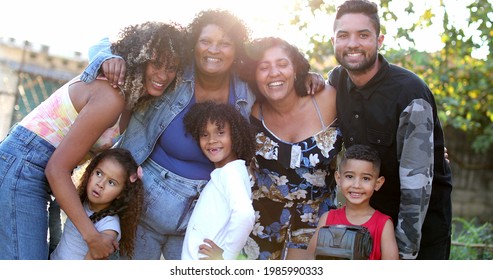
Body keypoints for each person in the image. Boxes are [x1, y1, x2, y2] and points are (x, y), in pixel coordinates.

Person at [81, 9, 325, 260]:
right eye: (206, 41)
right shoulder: (172, 69)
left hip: (199, 218)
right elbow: (105, 45)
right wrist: (109, 59)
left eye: (224, 43)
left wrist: (305, 77)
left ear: (236, 50)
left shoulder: (247, 86)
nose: (214, 50)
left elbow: (275, 80)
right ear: (194, 44)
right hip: (144, 205)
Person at [0, 21, 186, 260]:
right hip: (23, 167)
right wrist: (92, 237)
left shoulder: (130, 102)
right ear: (139, 59)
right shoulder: (111, 95)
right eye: (155, 63)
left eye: (171, 67)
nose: (163, 75)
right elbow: (56, 168)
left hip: (36, 173)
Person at [328, 0, 453, 259]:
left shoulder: (410, 93)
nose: (352, 43)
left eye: (363, 35)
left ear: (379, 40)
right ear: (333, 41)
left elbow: (416, 189)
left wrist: (404, 255)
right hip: (368, 222)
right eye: (343, 35)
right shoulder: (336, 80)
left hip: (417, 228)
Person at [238, 37, 343, 260]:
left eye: (282, 64)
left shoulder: (328, 99)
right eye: (263, 67)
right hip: (260, 228)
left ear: (296, 69)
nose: (274, 72)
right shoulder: (251, 111)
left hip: (319, 224)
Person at [181, 101, 255, 260]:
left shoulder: (231, 173)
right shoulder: (228, 172)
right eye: (204, 134)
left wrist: (227, 257)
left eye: (220, 132)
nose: (211, 140)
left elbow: (245, 215)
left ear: (235, 135)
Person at [304, 144, 399, 260]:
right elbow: (309, 260)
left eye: (366, 178)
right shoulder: (327, 219)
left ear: (378, 183)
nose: (356, 185)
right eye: (349, 176)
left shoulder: (383, 224)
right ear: (338, 178)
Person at [50, 148, 144, 260]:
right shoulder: (81, 202)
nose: (100, 184)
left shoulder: (109, 224)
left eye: (111, 182)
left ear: (121, 194)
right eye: (99, 173)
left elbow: (101, 248)